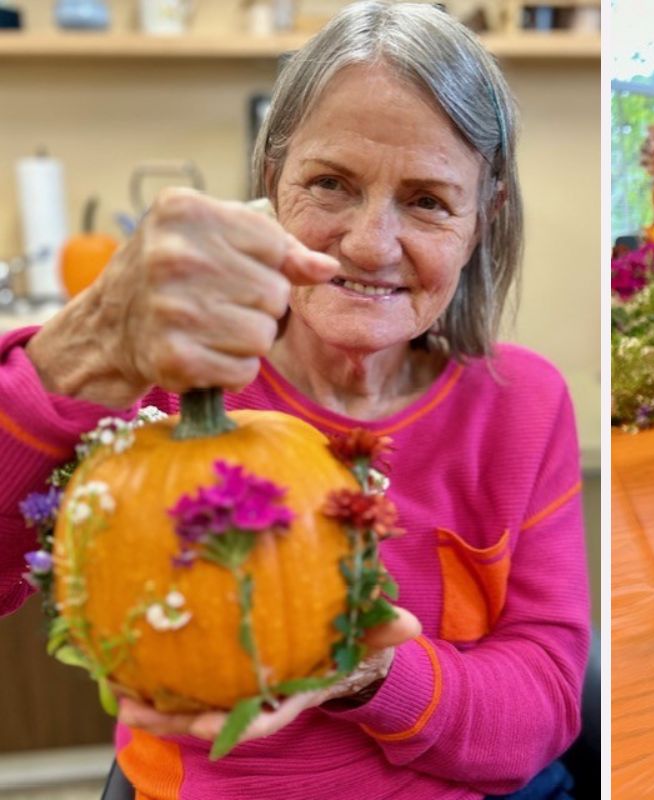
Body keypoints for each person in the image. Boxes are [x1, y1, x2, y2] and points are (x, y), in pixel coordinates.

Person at [0, 3, 590, 798]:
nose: (371, 244)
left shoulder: (524, 405)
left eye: (427, 201)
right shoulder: (170, 373)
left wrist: (369, 667)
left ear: (485, 219)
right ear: (273, 176)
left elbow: (545, 701)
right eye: (331, 184)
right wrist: (81, 351)